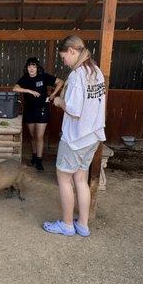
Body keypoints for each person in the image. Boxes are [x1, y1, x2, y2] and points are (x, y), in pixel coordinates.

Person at [43, 36, 106, 237]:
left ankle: (68, 224)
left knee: (64, 179)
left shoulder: (79, 75)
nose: (64, 62)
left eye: (64, 58)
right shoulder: (96, 71)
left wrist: (60, 102)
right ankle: (83, 225)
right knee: (81, 179)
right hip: (93, 135)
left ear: (71, 51)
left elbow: (75, 110)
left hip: (76, 138)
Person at [13, 57, 64, 171]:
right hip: (29, 111)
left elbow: (60, 82)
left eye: (34, 66)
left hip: (42, 110)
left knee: (39, 136)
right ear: (27, 68)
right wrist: (29, 91)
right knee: (33, 136)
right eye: (29, 66)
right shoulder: (24, 79)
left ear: (37, 67)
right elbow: (15, 88)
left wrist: (53, 95)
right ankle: (34, 157)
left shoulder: (44, 76)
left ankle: (39, 161)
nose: (31, 68)